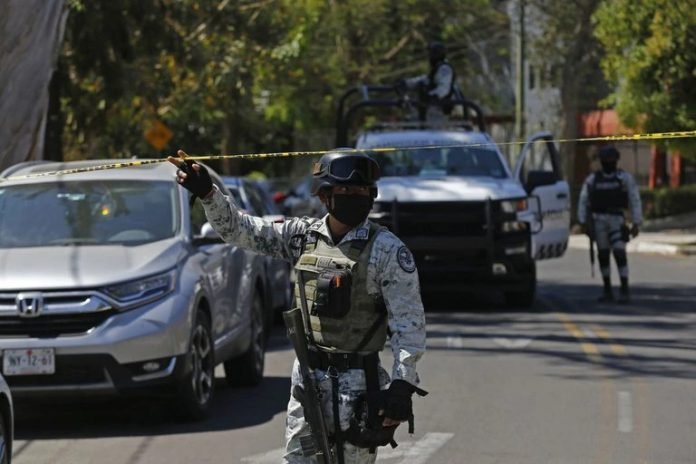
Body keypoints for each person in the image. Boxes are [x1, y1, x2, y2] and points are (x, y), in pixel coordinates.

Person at [168, 149, 427, 464]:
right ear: (325, 196)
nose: (354, 197)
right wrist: (209, 194)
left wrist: (402, 384)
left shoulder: (388, 251)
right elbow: (241, 230)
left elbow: (408, 325)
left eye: (361, 192)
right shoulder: (301, 237)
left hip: (360, 388)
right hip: (309, 381)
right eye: (345, 191)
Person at [577, 145, 642, 303]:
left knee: (620, 253)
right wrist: (583, 222)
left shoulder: (624, 178)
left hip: (617, 219)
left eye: (612, 160)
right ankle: (607, 290)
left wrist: (636, 222)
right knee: (603, 254)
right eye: (606, 160)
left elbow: (634, 199)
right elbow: (583, 201)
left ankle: (624, 289)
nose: (609, 162)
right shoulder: (593, 180)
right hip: (598, 220)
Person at [398, 41, 463, 122]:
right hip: (432, 108)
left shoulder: (444, 69)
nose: (430, 56)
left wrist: (432, 96)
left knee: (429, 130)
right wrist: (407, 83)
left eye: (433, 53)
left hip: (440, 109)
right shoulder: (436, 69)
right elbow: (425, 79)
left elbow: (444, 88)